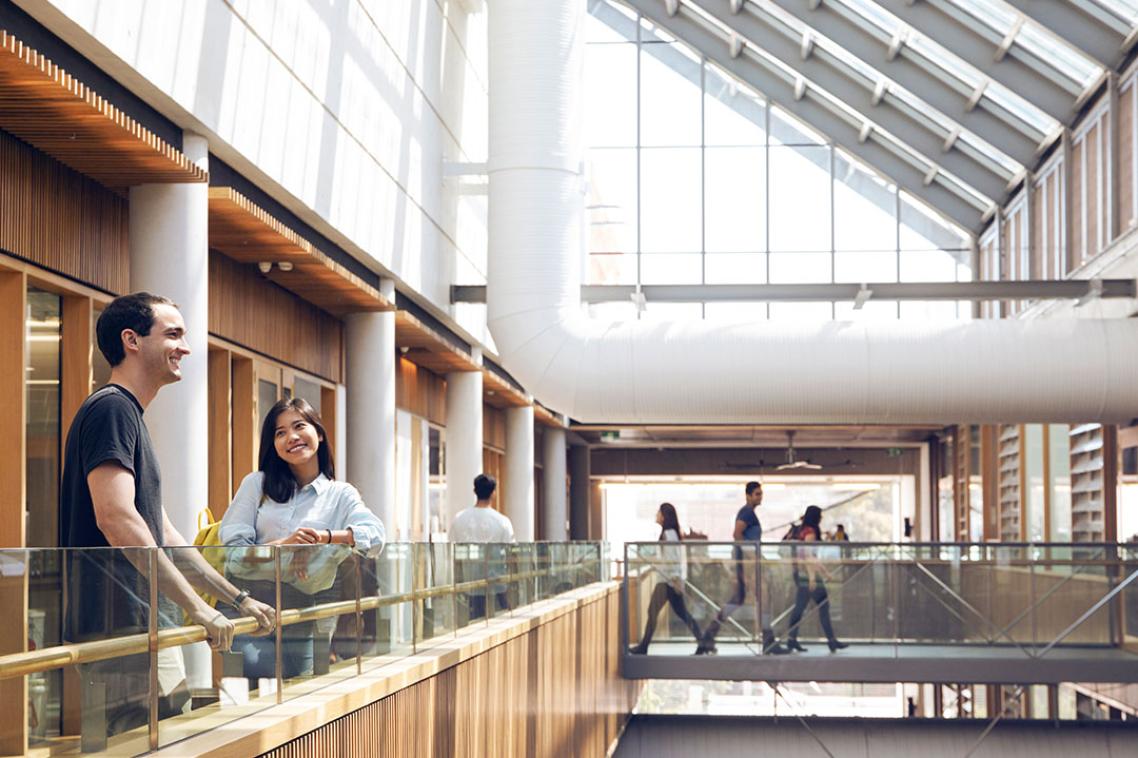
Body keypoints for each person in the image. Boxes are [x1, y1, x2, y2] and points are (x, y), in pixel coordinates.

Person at [59, 293, 275, 740]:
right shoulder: (112, 408)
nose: (187, 348)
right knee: (140, 746)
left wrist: (235, 600)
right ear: (131, 340)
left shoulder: (128, 416)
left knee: (165, 739)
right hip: (119, 625)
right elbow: (116, 518)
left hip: (144, 622)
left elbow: (167, 535)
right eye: (173, 334)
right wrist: (197, 609)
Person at [220, 397, 386, 679]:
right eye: (280, 432)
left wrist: (322, 538)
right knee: (255, 689)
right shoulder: (256, 484)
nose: (291, 437)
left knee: (298, 692)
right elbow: (234, 555)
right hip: (247, 602)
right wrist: (286, 545)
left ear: (319, 433)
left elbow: (375, 538)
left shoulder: (340, 494)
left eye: (299, 426)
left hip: (304, 609)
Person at [697, 481, 788, 655]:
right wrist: (752, 558)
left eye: (761, 494)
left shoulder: (750, 513)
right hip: (747, 564)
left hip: (749, 563)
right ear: (748, 496)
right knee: (762, 598)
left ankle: (710, 635)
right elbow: (737, 534)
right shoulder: (746, 513)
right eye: (756, 494)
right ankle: (768, 640)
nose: (760, 497)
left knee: (740, 599)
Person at [629, 503, 702, 654]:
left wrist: (675, 579)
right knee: (681, 613)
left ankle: (643, 647)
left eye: (658, 512)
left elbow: (673, 558)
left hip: (667, 581)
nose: (656, 515)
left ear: (664, 516)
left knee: (654, 612)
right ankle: (704, 642)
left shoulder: (669, 534)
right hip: (668, 580)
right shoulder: (670, 533)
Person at [450, 474, 515, 619]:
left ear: (475, 491)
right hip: (496, 584)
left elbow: (452, 551)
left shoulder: (459, 519)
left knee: (471, 624)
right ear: (493, 493)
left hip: (467, 583)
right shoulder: (502, 521)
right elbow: (510, 553)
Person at [785, 505, 847, 653]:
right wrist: (813, 578)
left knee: (801, 607)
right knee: (823, 605)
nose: (821, 518)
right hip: (807, 574)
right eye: (820, 515)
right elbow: (808, 556)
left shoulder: (800, 530)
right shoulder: (810, 532)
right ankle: (831, 641)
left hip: (800, 573)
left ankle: (791, 640)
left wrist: (824, 573)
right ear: (815, 517)